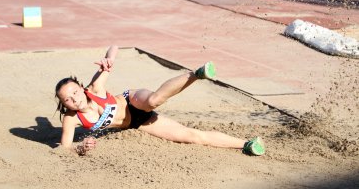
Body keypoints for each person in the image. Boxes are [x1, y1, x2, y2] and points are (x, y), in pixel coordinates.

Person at [55, 45, 265, 156]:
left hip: (132, 101)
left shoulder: (95, 88)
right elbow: (65, 147)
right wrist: (81, 147)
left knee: (154, 100)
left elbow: (114, 46)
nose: (74, 99)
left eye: (74, 92)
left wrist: (109, 58)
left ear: (81, 89)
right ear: (65, 105)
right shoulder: (71, 119)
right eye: (67, 99)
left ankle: (197, 74)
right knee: (191, 136)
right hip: (137, 123)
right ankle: (247, 145)